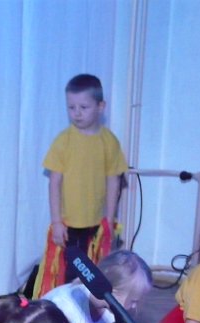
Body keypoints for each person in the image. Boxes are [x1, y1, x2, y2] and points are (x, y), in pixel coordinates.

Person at [35, 74, 128, 296]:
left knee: (93, 271)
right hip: (69, 225)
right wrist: (57, 221)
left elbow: (113, 180)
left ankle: (89, 306)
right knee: (70, 272)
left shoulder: (109, 142)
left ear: (100, 107)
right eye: (71, 107)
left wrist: (109, 220)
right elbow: (54, 183)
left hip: (95, 224)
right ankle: (67, 306)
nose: (77, 113)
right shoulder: (63, 141)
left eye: (83, 107)